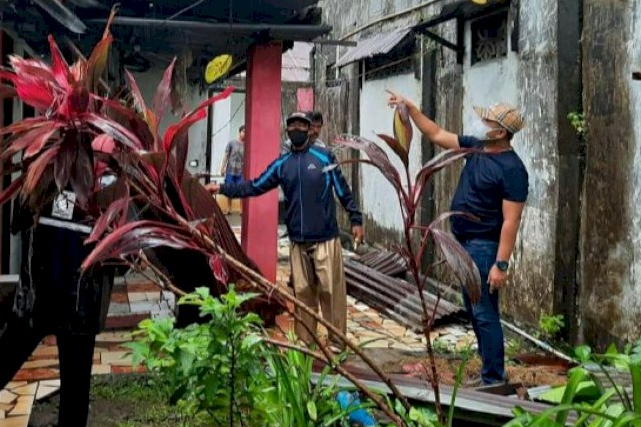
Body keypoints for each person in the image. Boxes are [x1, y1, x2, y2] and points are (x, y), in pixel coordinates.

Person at [0, 195, 114, 427]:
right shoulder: (99, 163)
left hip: (41, 257)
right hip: (83, 262)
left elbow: (20, 216)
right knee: (76, 352)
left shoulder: (45, 164)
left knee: (18, 337)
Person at [387, 90, 528, 386]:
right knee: (475, 312)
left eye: (487, 120)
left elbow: (511, 221)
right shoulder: (476, 147)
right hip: (463, 245)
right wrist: (412, 109)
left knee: (484, 313)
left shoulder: (513, 169)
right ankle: (490, 374)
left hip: (484, 248)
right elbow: (437, 134)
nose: (480, 122)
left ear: (500, 131)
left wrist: (500, 265)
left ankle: (494, 379)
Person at [207, 112, 364, 348]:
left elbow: (343, 191)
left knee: (331, 293)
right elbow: (255, 186)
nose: (296, 129)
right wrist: (222, 188)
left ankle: (337, 342)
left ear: (310, 129)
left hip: (325, 239)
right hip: (297, 241)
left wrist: (356, 219)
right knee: (302, 293)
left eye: (302, 125)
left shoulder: (324, 157)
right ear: (287, 130)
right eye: (292, 125)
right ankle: (306, 340)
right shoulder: (282, 164)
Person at [220, 125, 246, 214]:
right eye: (244, 132)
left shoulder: (247, 145)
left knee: (241, 189)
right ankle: (229, 208)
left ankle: (241, 209)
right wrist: (222, 168)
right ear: (239, 132)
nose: (245, 134)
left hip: (241, 171)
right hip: (230, 171)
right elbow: (226, 156)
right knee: (229, 189)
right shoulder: (231, 143)